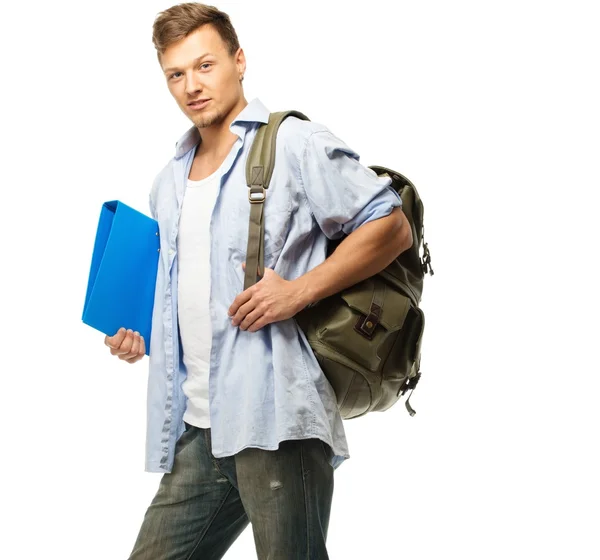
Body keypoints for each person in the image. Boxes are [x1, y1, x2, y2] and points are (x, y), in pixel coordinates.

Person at [104, 3, 413, 558]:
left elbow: (391, 225)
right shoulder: (167, 182)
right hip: (201, 426)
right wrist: (138, 335)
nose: (192, 85)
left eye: (205, 65)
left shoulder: (293, 143)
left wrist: (299, 290)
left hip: (277, 423)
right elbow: (187, 296)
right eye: (176, 74)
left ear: (238, 60)